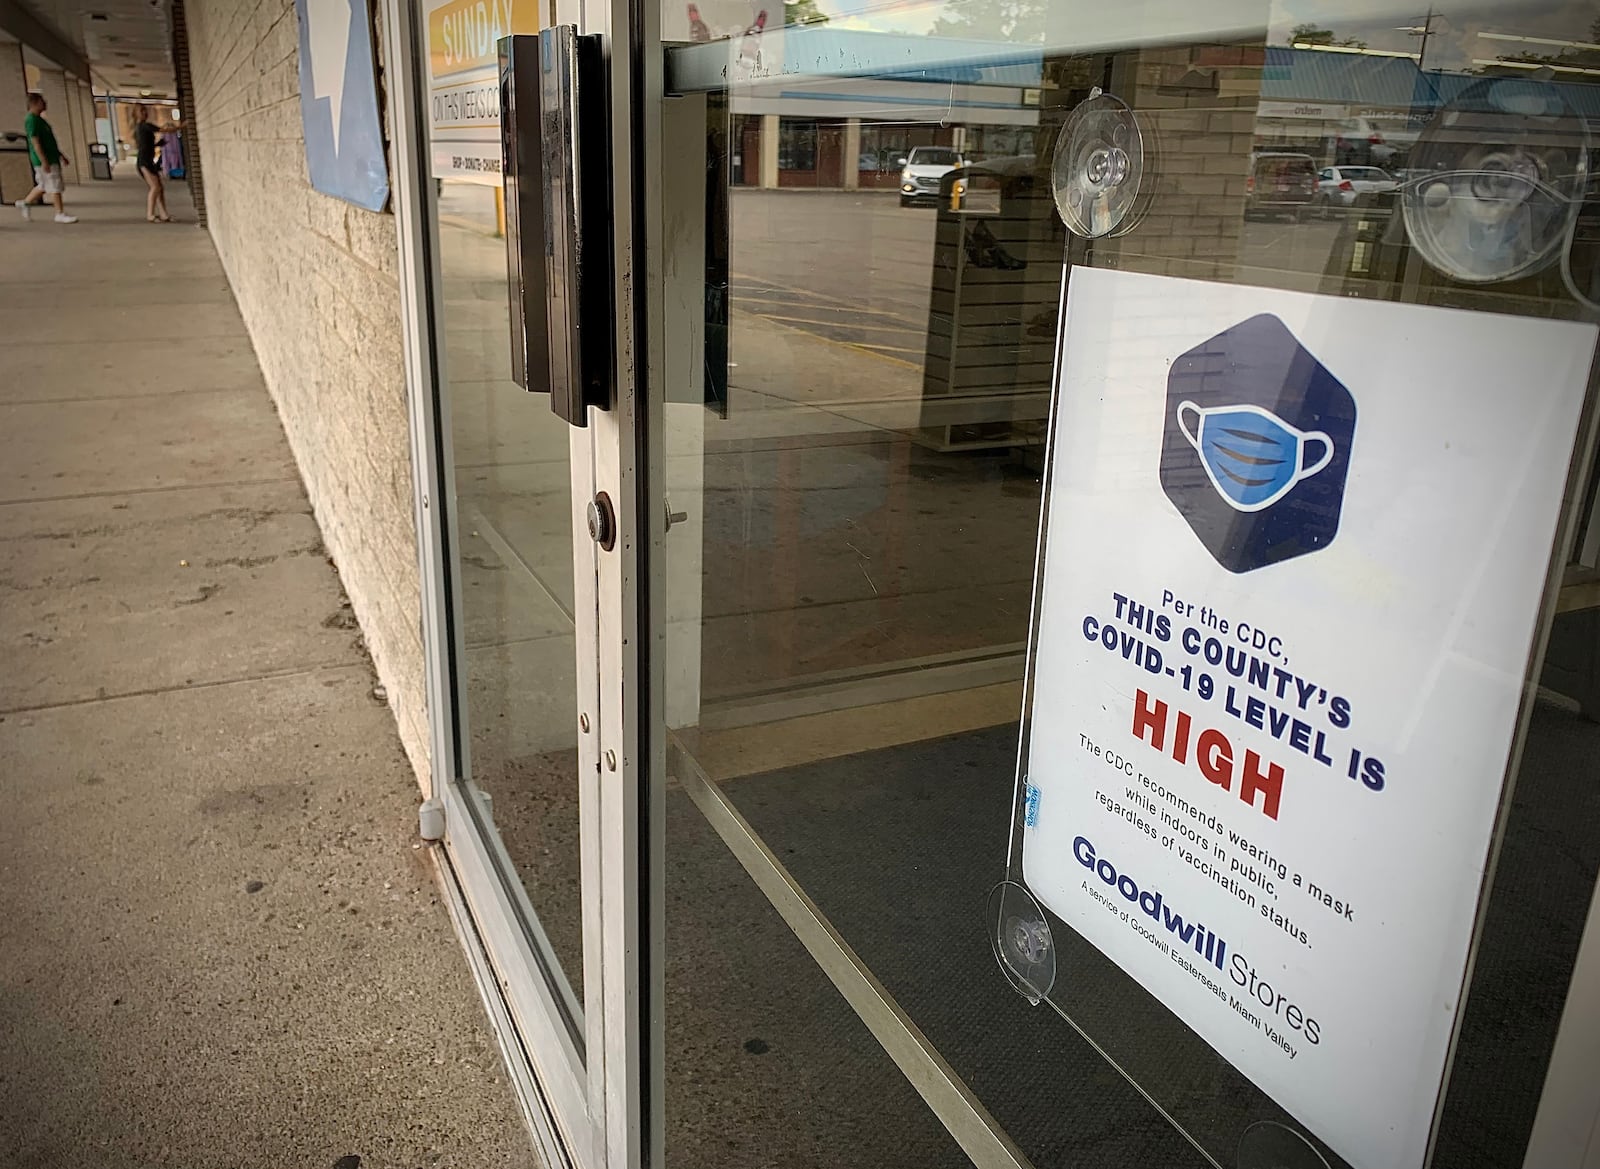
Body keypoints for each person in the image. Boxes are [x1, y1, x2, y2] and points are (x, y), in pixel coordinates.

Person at [14, 92, 76, 224]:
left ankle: (26, 203)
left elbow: (49, 141)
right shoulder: (31, 120)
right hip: (45, 159)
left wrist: (61, 155)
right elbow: (36, 142)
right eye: (42, 101)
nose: (45, 103)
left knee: (43, 185)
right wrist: (44, 161)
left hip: (51, 156)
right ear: (35, 103)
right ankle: (59, 213)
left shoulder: (40, 120)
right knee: (55, 185)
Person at [134, 106, 169, 223]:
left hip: (148, 160)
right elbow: (164, 130)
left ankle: (164, 214)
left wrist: (157, 144)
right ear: (136, 114)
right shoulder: (144, 126)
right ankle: (150, 214)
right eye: (141, 111)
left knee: (160, 187)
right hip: (144, 161)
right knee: (155, 187)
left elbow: (146, 144)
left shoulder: (141, 128)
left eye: (145, 111)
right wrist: (182, 126)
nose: (144, 113)